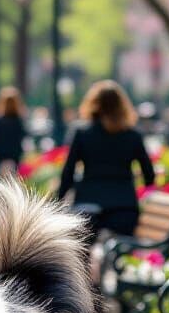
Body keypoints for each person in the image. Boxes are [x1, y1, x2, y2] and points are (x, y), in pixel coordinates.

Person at [55, 79, 156, 242]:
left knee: (83, 254)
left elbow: (68, 172)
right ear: (122, 105)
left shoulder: (81, 133)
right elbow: (149, 175)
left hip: (88, 204)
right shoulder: (132, 135)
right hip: (124, 208)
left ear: (93, 104)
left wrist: (58, 202)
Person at [0, 86, 29, 174]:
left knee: (1, 177)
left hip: (1, 153)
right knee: (16, 176)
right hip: (15, 152)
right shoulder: (19, 120)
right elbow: (23, 135)